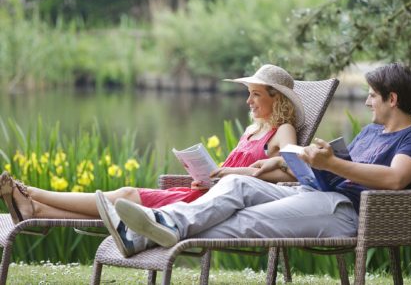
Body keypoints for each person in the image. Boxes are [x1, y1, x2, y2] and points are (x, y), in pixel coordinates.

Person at [97, 62, 411, 254]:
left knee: (248, 219)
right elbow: (333, 167)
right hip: (315, 193)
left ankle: (142, 234)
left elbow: (395, 179)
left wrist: (331, 163)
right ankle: (163, 223)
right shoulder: (369, 133)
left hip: (346, 212)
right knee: (236, 184)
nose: (367, 102)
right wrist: (280, 161)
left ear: (392, 99)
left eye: (373, 96)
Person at [0, 64, 303, 226]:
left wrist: (238, 174)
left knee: (126, 195)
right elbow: (232, 171)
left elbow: (293, 173)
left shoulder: (282, 130)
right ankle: (35, 210)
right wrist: (208, 173)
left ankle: (32, 193)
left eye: (256, 95)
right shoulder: (253, 129)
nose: (248, 101)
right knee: (123, 203)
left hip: (215, 205)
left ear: (277, 98)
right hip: (205, 193)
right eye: (248, 93)